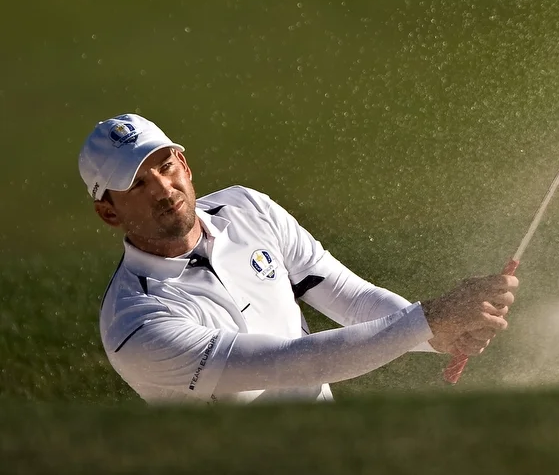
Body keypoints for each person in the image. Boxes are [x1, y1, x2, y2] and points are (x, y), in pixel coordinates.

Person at [80, 112, 517, 404]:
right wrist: (431, 319)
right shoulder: (137, 322)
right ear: (108, 211)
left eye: (165, 166)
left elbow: (349, 296)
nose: (162, 188)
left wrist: (437, 336)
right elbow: (294, 363)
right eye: (136, 184)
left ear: (185, 166)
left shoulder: (248, 209)